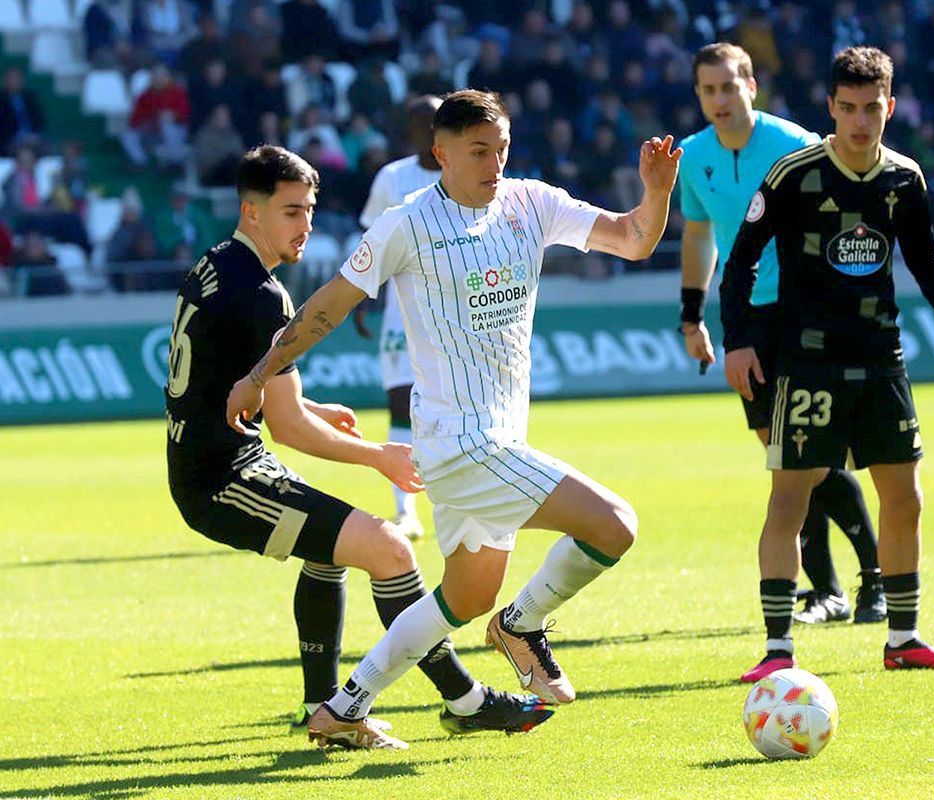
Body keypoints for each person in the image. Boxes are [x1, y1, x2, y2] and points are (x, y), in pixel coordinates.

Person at [225, 91, 680, 738]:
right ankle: (522, 628)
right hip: (458, 445)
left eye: (501, 148)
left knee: (464, 597)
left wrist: (655, 190)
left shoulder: (532, 202)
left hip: (498, 440)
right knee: (614, 525)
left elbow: (633, 239)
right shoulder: (407, 223)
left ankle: (344, 706)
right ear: (441, 154)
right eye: (477, 151)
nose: (494, 163)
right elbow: (327, 305)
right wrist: (258, 374)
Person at [167, 145, 553, 750]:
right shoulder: (265, 295)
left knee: (332, 550)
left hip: (216, 462)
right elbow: (289, 430)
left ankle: (321, 706)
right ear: (251, 211)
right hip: (221, 481)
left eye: (310, 210)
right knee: (390, 547)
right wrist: (380, 455)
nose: (306, 225)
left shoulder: (215, 265)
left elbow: (219, 374)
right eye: (291, 211)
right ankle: (465, 699)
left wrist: (307, 403)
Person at [720, 47, 934, 677]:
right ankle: (777, 651)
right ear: (831, 109)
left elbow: (927, 260)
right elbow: (741, 262)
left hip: (881, 362)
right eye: (847, 108)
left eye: (871, 108)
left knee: (906, 499)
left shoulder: (904, 179)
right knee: (789, 500)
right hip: (808, 363)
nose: (859, 121)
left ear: (889, 107)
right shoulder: (794, 175)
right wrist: (738, 339)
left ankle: (903, 639)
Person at [677, 43, 885, 628]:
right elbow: (699, 237)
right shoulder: (694, 156)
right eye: (708, 90)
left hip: (803, 316)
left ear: (751, 85)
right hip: (745, 322)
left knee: (811, 457)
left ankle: (875, 580)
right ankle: (830, 591)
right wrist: (692, 316)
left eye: (729, 86)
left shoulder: (795, 146)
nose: (720, 99)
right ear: (698, 95)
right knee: (787, 456)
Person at [353, 95, 444, 539]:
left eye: (435, 122)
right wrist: (361, 296)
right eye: (420, 123)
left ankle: (458, 501)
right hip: (400, 309)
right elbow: (370, 239)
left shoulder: (461, 174)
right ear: (407, 131)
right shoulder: (393, 177)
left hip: (452, 308)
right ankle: (405, 509)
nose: (427, 131)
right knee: (400, 402)